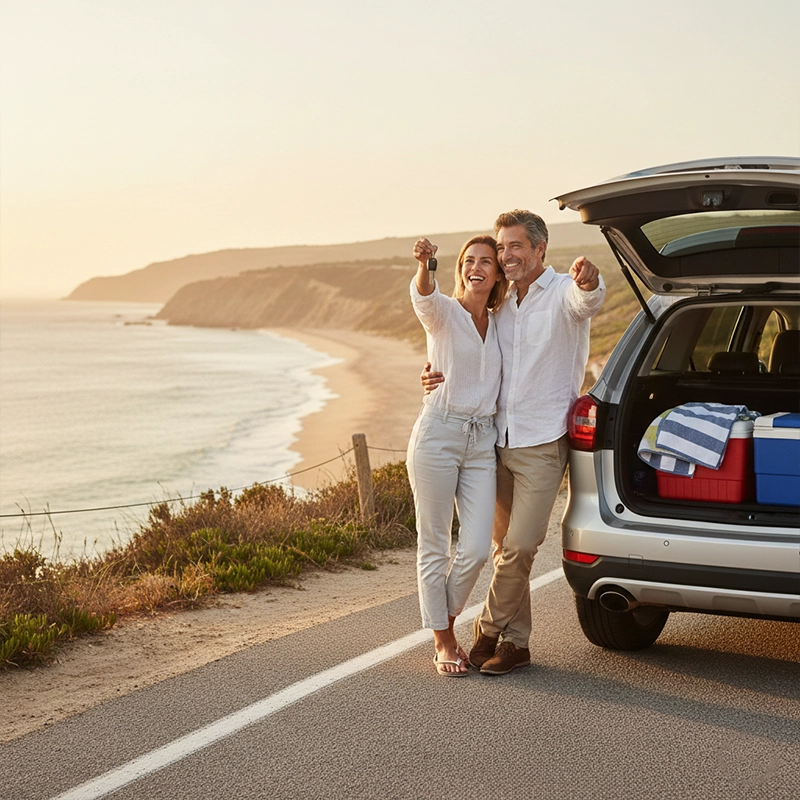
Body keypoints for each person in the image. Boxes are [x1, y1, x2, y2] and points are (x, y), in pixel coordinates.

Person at [422, 209, 605, 675]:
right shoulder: (501, 303)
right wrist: (432, 376)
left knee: (522, 545)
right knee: (504, 549)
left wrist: (589, 281)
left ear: (540, 249)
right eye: (501, 248)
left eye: (515, 247)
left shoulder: (562, 291)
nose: (506, 256)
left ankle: (485, 629)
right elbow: (467, 352)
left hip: (544, 442)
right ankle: (517, 643)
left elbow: (588, 302)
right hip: (495, 440)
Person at [407, 234, 508, 676]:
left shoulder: (504, 320)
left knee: (476, 547)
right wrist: (426, 264)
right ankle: (443, 640)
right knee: (433, 543)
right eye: (470, 260)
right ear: (460, 268)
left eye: (487, 261)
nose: (477, 267)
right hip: (438, 434)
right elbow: (423, 296)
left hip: (482, 442)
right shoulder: (444, 312)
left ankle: (442, 620)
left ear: (498, 272)